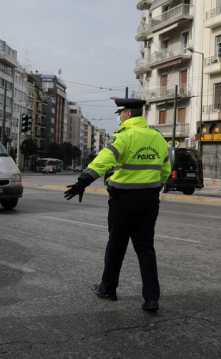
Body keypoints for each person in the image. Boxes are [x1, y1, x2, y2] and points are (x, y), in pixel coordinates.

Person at [64, 98, 171, 312]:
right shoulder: (158, 138)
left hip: (123, 201)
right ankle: (151, 299)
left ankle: (108, 289)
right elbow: (166, 170)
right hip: (149, 201)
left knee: (116, 246)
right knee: (146, 249)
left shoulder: (125, 136)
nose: (120, 117)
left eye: (120, 113)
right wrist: (151, 189)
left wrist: (82, 181)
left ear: (128, 114)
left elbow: (103, 161)